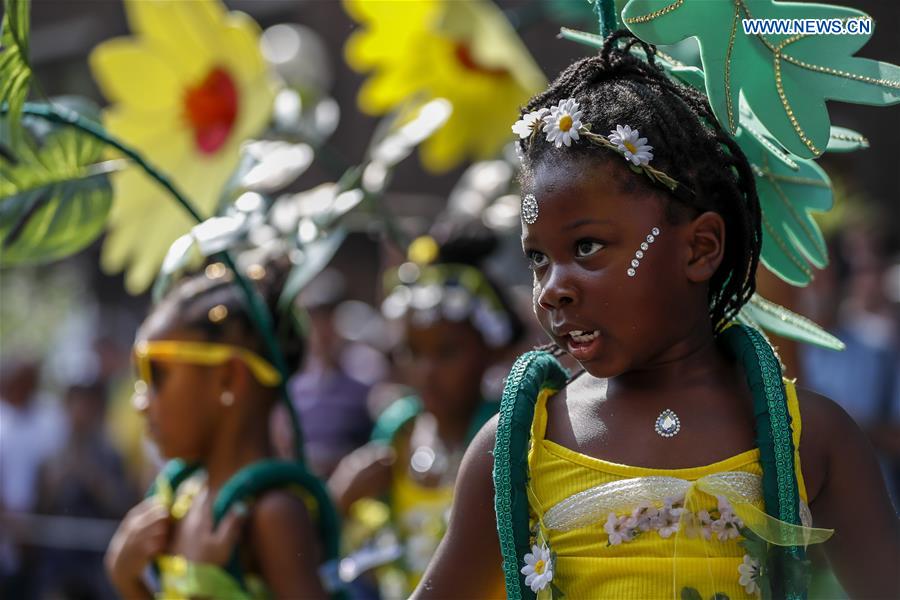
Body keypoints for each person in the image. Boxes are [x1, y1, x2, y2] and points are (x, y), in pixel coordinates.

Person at [413, 32, 900, 599]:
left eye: (588, 248)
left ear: (699, 249)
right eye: (538, 259)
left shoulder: (811, 438)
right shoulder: (517, 447)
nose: (551, 291)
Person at [104, 258, 335, 599]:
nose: (142, 402)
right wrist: (128, 580)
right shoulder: (181, 502)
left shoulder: (272, 514)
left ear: (228, 379)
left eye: (158, 376)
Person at [328, 218, 525, 598]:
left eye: (446, 352)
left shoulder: (510, 439)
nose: (426, 372)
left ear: (490, 348)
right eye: (412, 353)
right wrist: (340, 500)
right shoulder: (395, 434)